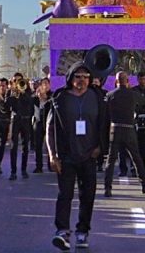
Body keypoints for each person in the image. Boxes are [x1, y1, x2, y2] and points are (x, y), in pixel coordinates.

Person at [45, 62, 109, 251]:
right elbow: (49, 128)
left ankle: (83, 232)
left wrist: (100, 147)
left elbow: (105, 125)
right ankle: (62, 231)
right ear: (71, 79)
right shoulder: (60, 98)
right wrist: (52, 155)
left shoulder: (97, 97)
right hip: (66, 156)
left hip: (89, 155)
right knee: (65, 195)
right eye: (78, 77)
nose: (81, 80)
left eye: (85, 77)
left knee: (87, 196)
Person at [103, 72, 145, 197]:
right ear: (127, 81)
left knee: (111, 159)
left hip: (115, 128)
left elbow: (105, 113)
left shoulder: (110, 95)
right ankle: (144, 183)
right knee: (136, 157)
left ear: (116, 81)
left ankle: (107, 188)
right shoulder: (133, 94)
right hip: (129, 129)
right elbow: (143, 105)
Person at [7, 77, 35, 180]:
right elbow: (7, 105)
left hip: (26, 121)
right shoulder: (12, 93)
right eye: (16, 81)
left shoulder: (28, 93)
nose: (19, 84)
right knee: (13, 146)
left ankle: (24, 170)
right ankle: (13, 171)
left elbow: (30, 102)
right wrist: (13, 94)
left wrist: (23, 92)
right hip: (16, 120)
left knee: (25, 146)